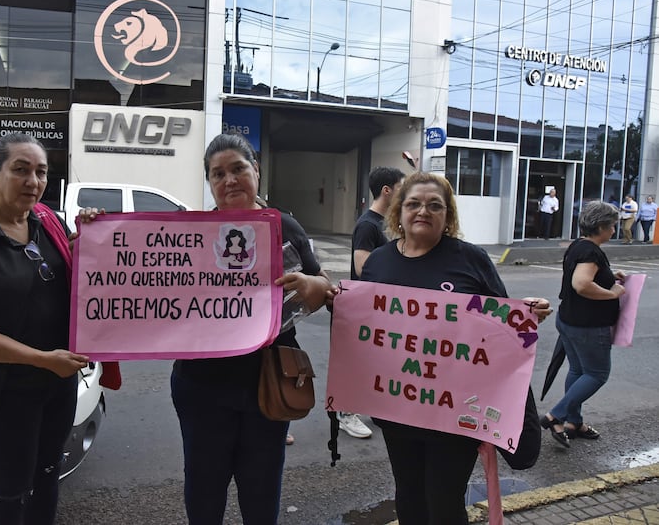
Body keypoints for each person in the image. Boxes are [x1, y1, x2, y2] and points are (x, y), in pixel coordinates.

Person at [359, 171, 552, 525]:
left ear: (447, 216)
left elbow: (501, 324)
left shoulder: (470, 259)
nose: (423, 211)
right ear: (399, 211)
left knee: (444, 498)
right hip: (399, 406)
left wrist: (527, 314)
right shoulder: (378, 262)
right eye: (414, 203)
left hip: (458, 410)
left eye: (435, 205)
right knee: (409, 495)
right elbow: (362, 325)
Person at [171, 133, 335, 524]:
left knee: (261, 493)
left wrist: (317, 286)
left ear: (256, 171)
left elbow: (325, 288)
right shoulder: (192, 234)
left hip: (268, 385)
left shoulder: (284, 225)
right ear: (210, 183)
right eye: (218, 174)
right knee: (203, 492)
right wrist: (98, 235)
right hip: (202, 387)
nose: (229, 180)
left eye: (238, 169)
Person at [0, 133, 90, 525]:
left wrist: (98, 238)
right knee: (9, 492)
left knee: (46, 480)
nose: (33, 182)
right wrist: (43, 360)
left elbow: (78, 279)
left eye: (40, 172)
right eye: (20, 170)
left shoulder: (48, 223)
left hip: (58, 384)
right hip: (7, 391)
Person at [540, 201, 625, 447]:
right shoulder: (591, 252)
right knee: (597, 374)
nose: (613, 231)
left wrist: (610, 276)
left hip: (568, 320)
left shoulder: (579, 246)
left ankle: (573, 422)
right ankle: (554, 415)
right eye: (612, 227)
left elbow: (587, 275)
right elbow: (582, 284)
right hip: (588, 325)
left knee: (578, 371)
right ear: (600, 227)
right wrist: (613, 294)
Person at [339, 166, 404, 439]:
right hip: (367, 305)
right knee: (359, 362)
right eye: (401, 188)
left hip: (385, 305)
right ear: (387, 190)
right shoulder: (368, 224)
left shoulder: (388, 222)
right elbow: (362, 266)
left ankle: (377, 407)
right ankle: (346, 413)